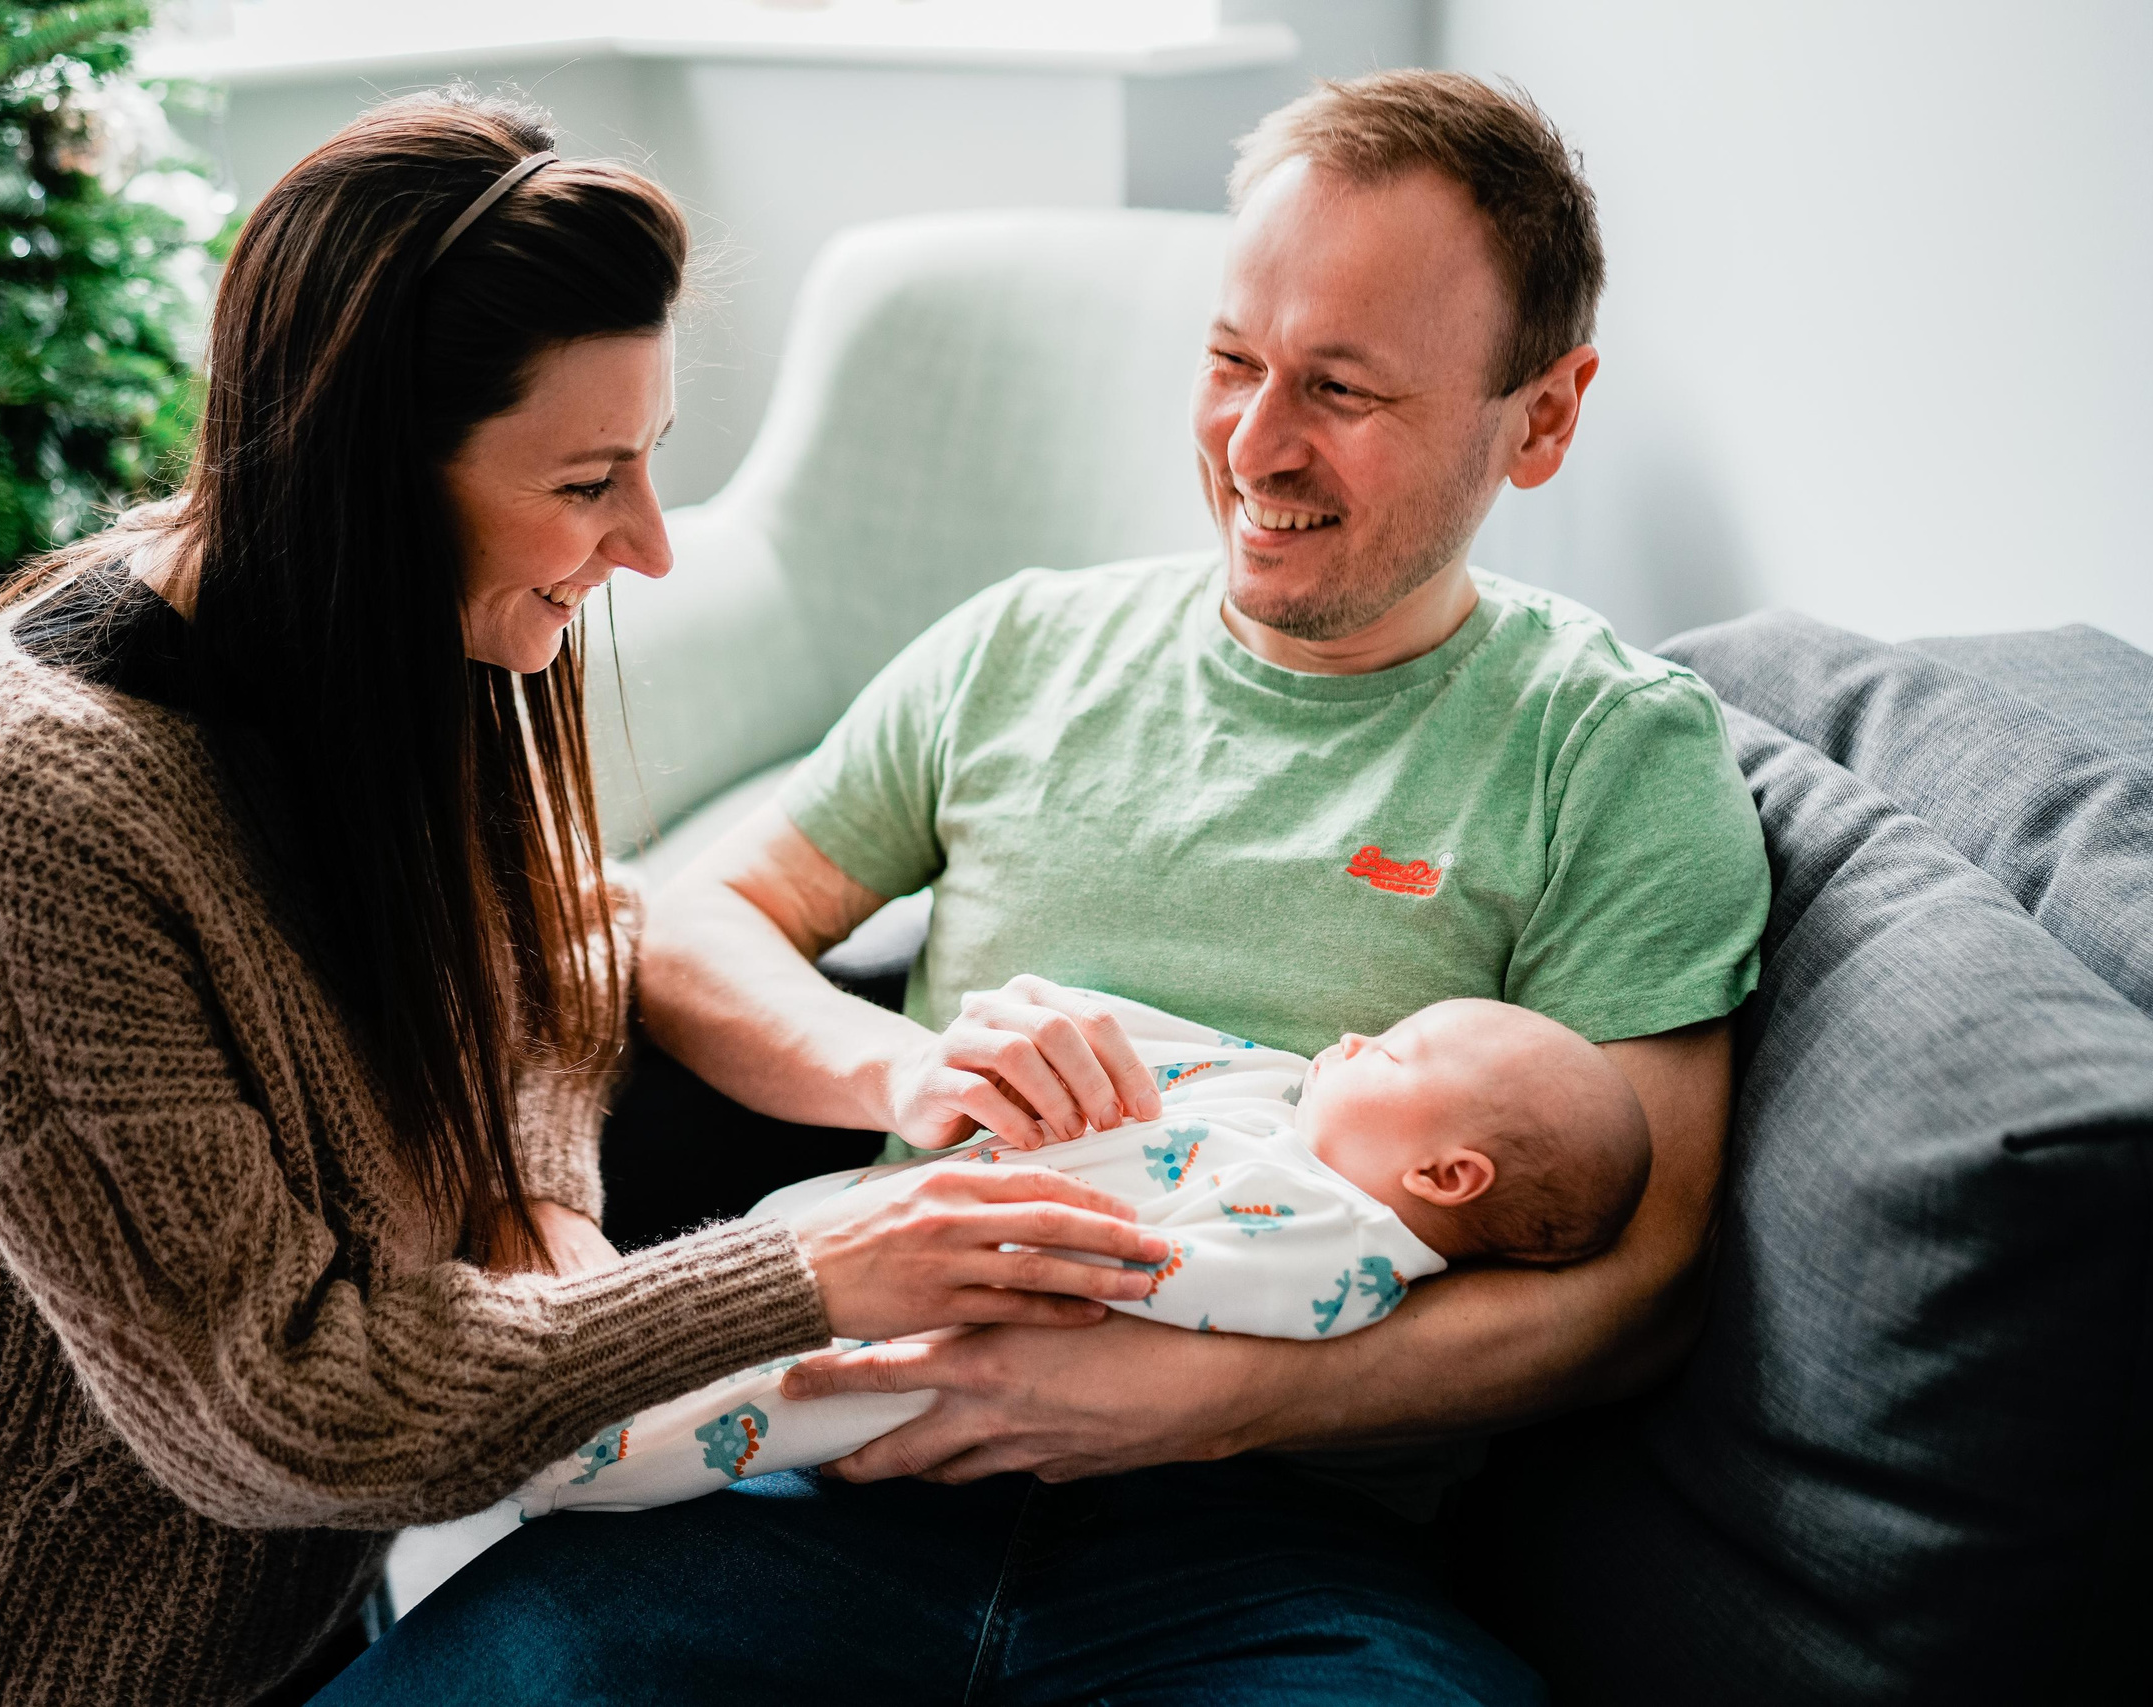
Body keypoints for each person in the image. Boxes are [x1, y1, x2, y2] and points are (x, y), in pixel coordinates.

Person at [333, 70, 1770, 1706]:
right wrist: (900, 1068)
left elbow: (1639, 1279)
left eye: (1345, 391)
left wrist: (1198, 1399)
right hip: (830, 1467)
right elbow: (703, 922)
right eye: (1231, 360)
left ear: (1546, 414)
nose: (1255, 442)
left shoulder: (1608, 752)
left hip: (1267, 1542)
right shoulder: (1026, 648)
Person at [0, 93, 1168, 1707]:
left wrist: (552, 1192)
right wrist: (817, 1271)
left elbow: (553, 951)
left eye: (651, 463)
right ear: (366, 477)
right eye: (586, 482)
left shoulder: (396, 641)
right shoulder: (32, 813)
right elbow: (285, 1408)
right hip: (29, 1649)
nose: (645, 544)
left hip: (289, 1591)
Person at [472, 988, 1651, 1523]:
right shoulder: (1289, 1105)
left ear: (1446, 1179)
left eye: (1390, 1055)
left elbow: (1164, 1275)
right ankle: (557, 1325)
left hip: (945, 1346)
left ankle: (557, 1450)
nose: (1351, 1036)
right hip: (856, 1232)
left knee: (741, 1402)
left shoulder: (1346, 1253)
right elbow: (1155, 1055)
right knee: (684, 1301)